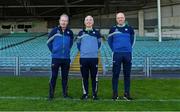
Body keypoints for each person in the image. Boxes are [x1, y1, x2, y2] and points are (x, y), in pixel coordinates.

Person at [108, 12, 135, 101]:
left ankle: (126, 94)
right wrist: (114, 49)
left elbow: (132, 41)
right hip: (117, 54)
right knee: (115, 74)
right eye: (118, 18)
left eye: (122, 17)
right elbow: (109, 41)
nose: (120, 19)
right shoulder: (112, 29)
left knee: (127, 75)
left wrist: (128, 48)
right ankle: (115, 94)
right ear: (116, 19)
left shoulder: (130, 29)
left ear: (124, 18)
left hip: (127, 54)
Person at [47, 14, 74, 100]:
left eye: (65, 21)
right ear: (59, 21)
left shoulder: (70, 32)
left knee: (65, 77)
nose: (64, 22)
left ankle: (65, 94)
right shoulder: (54, 31)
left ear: (67, 22)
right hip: (56, 58)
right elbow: (48, 42)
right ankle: (51, 95)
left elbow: (70, 44)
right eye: (62, 20)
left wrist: (66, 51)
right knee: (54, 76)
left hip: (66, 58)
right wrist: (54, 51)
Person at [77, 15, 101, 100]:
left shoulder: (97, 33)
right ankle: (85, 93)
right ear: (84, 22)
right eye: (87, 20)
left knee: (94, 77)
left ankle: (95, 94)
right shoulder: (80, 33)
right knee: (84, 77)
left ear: (93, 22)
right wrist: (84, 51)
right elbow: (78, 45)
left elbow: (99, 44)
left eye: (90, 20)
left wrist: (92, 51)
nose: (88, 21)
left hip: (94, 58)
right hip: (83, 58)